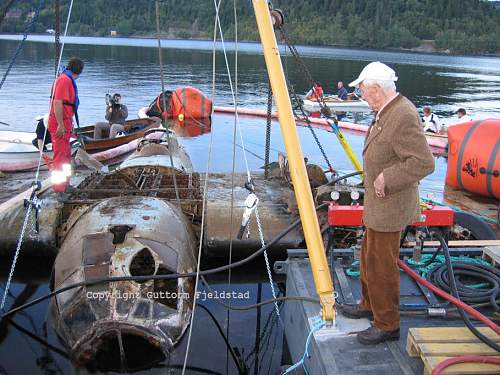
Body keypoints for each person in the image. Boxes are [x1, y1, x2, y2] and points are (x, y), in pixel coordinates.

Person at [340, 61, 435, 345]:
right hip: (378, 206)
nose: (363, 97)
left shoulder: (402, 115)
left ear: (378, 90)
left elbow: (424, 162)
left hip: (390, 205)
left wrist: (387, 178)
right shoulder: (386, 110)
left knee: (382, 265)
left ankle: (387, 323)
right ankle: (369, 304)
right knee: (369, 258)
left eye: (365, 92)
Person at [48, 57, 84, 193]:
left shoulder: (67, 79)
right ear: (79, 71)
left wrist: (69, 124)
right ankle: (59, 189)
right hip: (59, 122)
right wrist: (61, 124)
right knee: (60, 157)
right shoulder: (64, 80)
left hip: (66, 121)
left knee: (67, 156)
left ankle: (66, 184)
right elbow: (57, 103)